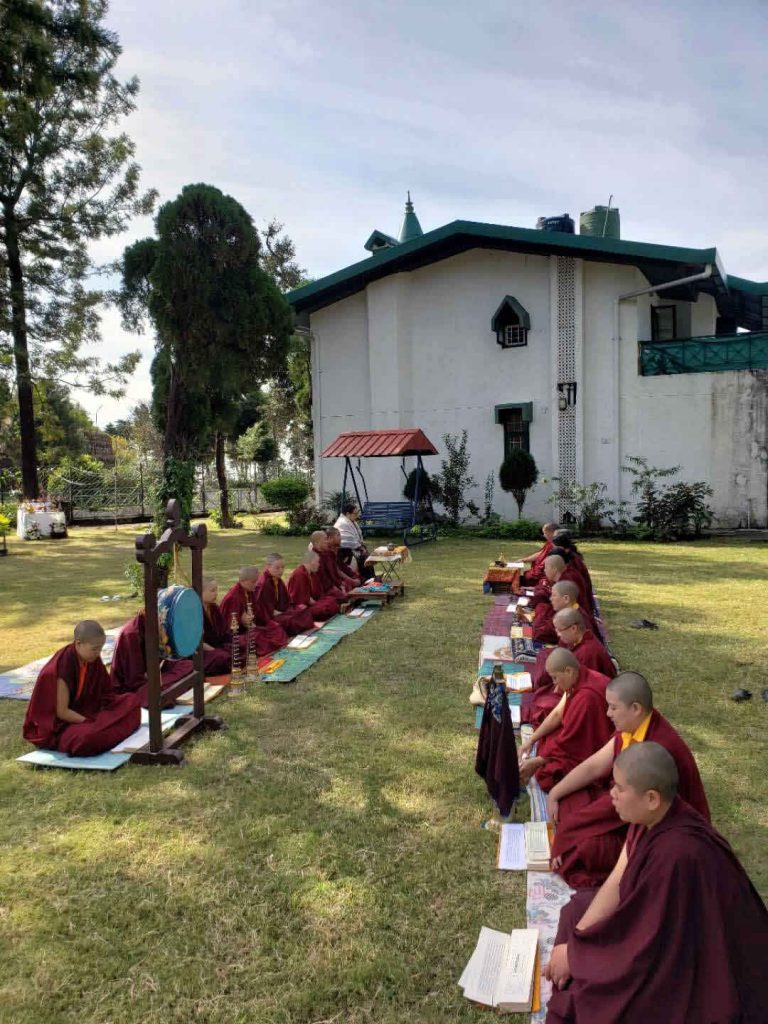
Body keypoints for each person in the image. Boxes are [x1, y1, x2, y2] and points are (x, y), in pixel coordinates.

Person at [544, 743, 768, 1024]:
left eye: (620, 788)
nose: (611, 794)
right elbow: (617, 880)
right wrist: (577, 941)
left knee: (597, 1000)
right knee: (576, 911)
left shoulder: (677, 854)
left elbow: (642, 942)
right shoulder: (651, 815)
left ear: (651, 798)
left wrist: (576, 957)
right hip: (667, 927)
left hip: (698, 957)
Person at [547, 671, 710, 889]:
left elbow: (619, 806)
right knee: (570, 799)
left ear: (635, 708)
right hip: (631, 808)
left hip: (659, 831)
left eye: (613, 707)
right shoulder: (634, 726)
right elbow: (595, 766)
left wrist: (567, 833)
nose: (607, 713)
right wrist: (556, 792)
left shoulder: (657, 747)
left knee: (583, 850)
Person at [23, 620, 141, 756]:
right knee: (86, 740)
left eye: (100, 649)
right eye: (95, 649)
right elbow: (62, 712)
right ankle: (103, 731)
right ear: (78, 644)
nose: (98, 653)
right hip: (63, 725)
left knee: (132, 701)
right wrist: (89, 722)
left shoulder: (91, 659)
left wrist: (102, 714)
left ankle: (104, 730)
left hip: (89, 713)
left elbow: (106, 694)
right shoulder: (63, 666)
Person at [518, 649, 612, 791]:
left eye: (555, 678)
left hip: (598, 746)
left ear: (568, 671)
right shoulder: (579, 676)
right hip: (582, 733)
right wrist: (531, 740)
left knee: (549, 774)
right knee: (547, 740)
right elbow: (557, 714)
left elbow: (570, 742)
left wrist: (536, 762)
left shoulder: (586, 698)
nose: (555, 688)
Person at [526, 608, 615, 727]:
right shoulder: (581, 638)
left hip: (591, 699)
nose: (557, 634)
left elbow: (582, 684)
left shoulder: (587, 653)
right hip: (576, 686)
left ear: (573, 628)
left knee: (546, 704)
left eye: (559, 630)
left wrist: (560, 692)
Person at [110, 610, 195, 706]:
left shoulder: (159, 624)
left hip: (158, 674)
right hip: (136, 686)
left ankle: (167, 690)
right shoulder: (130, 634)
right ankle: (168, 691)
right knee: (151, 695)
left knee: (190, 666)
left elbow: (167, 657)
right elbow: (134, 681)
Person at [220, 567, 286, 654]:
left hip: (250, 627)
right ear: (243, 580)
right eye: (253, 582)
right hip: (238, 634)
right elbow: (229, 626)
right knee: (258, 637)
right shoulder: (233, 597)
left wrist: (252, 620)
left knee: (274, 627)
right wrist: (241, 620)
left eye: (256, 581)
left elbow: (256, 612)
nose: (255, 585)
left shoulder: (249, 591)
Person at [253, 553, 316, 636]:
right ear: (268, 566)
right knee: (290, 621)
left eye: (282, 567)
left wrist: (289, 611)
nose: (281, 570)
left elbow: (286, 601)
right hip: (269, 617)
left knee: (304, 611)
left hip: (281, 612)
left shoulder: (277, 580)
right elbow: (264, 611)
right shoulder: (264, 583)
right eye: (277, 568)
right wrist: (284, 613)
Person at [287, 550, 341, 621]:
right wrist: (320, 604)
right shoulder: (300, 574)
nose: (319, 565)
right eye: (317, 562)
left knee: (332, 600)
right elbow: (302, 600)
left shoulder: (312, 574)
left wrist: (322, 601)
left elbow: (319, 594)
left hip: (311, 604)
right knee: (325, 607)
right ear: (311, 562)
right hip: (301, 607)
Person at [201, 578, 240, 674]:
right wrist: (214, 651)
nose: (216, 593)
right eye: (212, 591)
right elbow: (196, 642)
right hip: (203, 651)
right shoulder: (194, 611)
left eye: (216, 590)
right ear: (200, 592)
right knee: (222, 658)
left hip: (218, 645)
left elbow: (224, 630)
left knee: (240, 647)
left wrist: (233, 642)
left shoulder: (214, 608)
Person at [529, 579, 581, 645]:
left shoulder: (568, 617)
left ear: (566, 599)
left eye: (554, 595)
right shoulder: (568, 608)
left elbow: (538, 633)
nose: (550, 599)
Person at [333, 501, 373, 579]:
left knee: (366, 555)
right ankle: (366, 578)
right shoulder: (342, 523)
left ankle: (371, 577)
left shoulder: (350, 521)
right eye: (355, 513)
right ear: (348, 514)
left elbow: (356, 538)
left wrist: (361, 546)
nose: (357, 515)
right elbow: (347, 541)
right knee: (363, 557)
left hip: (353, 548)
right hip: (344, 551)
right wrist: (360, 547)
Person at [309, 530, 351, 599]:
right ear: (317, 543)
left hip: (333, 585)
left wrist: (340, 585)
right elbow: (321, 582)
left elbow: (334, 573)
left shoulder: (329, 554)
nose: (328, 542)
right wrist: (338, 589)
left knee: (348, 585)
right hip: (323, 590)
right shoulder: (312, 558)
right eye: (325, 539)